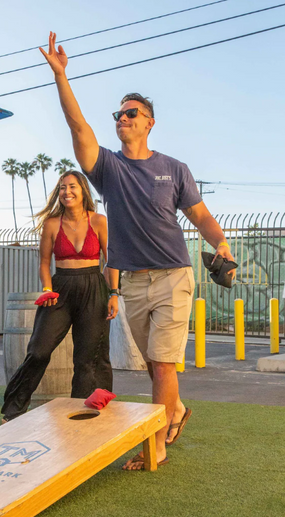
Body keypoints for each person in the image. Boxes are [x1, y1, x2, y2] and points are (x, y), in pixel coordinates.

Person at [40, 32, 235, 470]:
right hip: (133, 281)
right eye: (119, 113)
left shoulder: (173, 168)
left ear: (149, 123)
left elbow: (200, 216)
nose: (123, 118)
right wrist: (61, 77)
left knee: (164, 367)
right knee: (153, 365)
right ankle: (177, 411)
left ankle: (157, 445)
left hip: (172, 276)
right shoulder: (109, 168)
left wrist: (220, 242)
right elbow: (78, 128)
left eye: (132, 113)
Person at [1, 171, 118, 422]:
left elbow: (112, 261)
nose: (67, 192)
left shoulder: (99, 221)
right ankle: (14, 409)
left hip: (93, 287)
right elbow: (45, 263)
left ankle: (84, 411)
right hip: (60, 290)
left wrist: (114, 293)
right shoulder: (52, 224)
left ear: (83, 190)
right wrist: (47, 289)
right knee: (39, 350)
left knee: (88, 357)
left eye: (72, 186)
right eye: (63, 188)